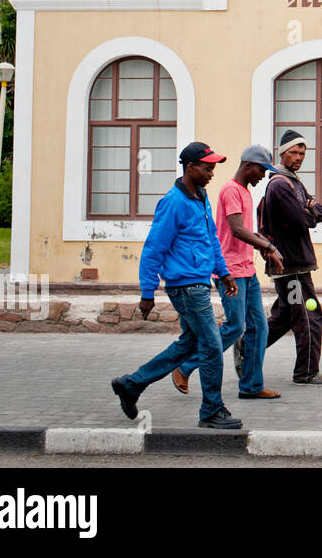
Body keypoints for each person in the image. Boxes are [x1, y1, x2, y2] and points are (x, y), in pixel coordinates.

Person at [110, 142, 243, 429]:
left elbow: (211, 241)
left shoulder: (201, 198)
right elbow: (153, 249)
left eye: (213, 167)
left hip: (199, 282)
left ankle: (131, 385)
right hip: (186, 287)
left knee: (189, 344)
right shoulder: (173, 202)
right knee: (211, 345)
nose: (211, 173)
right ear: (190, 166)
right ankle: (211, 410)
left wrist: (224, 272)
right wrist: (147, 291)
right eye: (207, 167)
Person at [171, 145, 285, 400]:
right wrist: (266, 245)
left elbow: (246, 231)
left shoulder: (244, 192)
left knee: (259, 329)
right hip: (231, 270)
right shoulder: (231, 190)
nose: (262, 176)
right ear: (248, 165)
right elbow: (236, 229)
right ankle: (186, 365)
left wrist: (264, 245)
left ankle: (251, 385)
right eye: (261, 170)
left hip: (247, 268)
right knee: (235, 327)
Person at [262, 129, 322, 385]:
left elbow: (318, 210)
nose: (298, 157)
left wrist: (311, 210)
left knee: (284, 316)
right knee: (307, 316)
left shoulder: (294, 182)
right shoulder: (280, 184)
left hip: (297, 264)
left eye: (302, 153)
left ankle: (246, 347)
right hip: (290, 265)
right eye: (293, 152)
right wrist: (309, 211)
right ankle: (306, 372)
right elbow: (302, 219)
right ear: (282, 153)